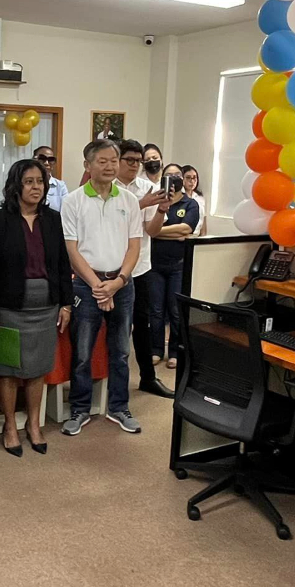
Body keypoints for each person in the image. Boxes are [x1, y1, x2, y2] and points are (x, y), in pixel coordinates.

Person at [0, 159, 73, 455]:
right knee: (8, 369)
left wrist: (66, 304)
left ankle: (34, 425)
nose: (36, 187)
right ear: (16, 186)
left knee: (38, 368)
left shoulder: (52, 219)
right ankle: (10, 426)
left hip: (46, 307)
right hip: (9, 306)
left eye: (40, 182)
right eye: (29, 182)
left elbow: (62, 264)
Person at [60, 139, 143, 436]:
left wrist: (118, 282)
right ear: (88, 165)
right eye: (102, 161)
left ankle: (119, 408)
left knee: (120, 351)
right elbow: (72, 250)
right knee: (82, 352)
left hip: (122, 284)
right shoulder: (73, 201)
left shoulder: (129, 201)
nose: (110, 166)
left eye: (114, 160)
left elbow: (135, 246)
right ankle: (80, 409)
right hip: (86, 286)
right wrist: (98, 287)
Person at [116, 139, 175, 399]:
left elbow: (152, 230)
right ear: (117, 160)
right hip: (111, 268)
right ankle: (108, 381)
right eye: (129, 160)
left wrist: (160, 210)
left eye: (138, 161)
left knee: (143, 324)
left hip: (140, 267)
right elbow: (110, 222)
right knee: (114, 328)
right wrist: (141, 203)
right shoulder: (108, 187)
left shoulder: (148, 187)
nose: (135, 165)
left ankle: (148, 378)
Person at [150, 163, 200, 369]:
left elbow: (186, 229)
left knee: (175, 311)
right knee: (156, 310)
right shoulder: (156, 202)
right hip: (154, 265)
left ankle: (174, 352)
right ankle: (156, 350)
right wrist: (172, 232)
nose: (174, 179)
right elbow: (148, 228)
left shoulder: (190, 204)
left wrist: (156, 231)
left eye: (177, 175)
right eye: (169, 175)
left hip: (178, 266)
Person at [34, 144, 69, 212]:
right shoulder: (26, 183)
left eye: (51, 160)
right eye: (42, 159)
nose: (46, 163)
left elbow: (66, 210)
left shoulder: (60, 186)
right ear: (34, 160)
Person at [181, 164, 209, 237]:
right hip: (182, 236)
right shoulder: (178, 197)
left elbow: (203, 221)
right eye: (188, 178)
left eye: (194, 178)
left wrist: (203, 237)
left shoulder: (200, 198)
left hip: (196, 236)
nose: (192, 181)